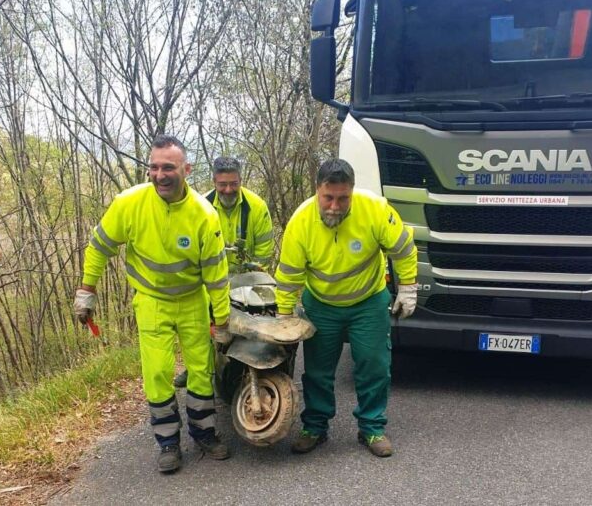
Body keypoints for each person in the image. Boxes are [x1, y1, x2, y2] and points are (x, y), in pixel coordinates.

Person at [73, 134, 233, 474]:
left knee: (201, 373)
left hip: (192, 301)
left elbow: (217, 276)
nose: (160, 174)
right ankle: (168, 443)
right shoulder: (129, 204)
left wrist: (221, 321)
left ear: (186, 170)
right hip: (151, 301)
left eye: (169, 167)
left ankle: (204, 432)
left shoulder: (204, 215)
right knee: (158, 372)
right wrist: (87, 291)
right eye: (154, 167)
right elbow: (98, 246)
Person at [274, 158, 418, 457]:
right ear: (318, 191)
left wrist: (408, 287)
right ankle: (314, 426)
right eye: (328, 197)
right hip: (322, 304)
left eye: (343, 198)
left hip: (368, 301)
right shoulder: (301, 222)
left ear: (352, 191)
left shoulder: (375, 210)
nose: (335, 206)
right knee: (317, 371)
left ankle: (372, 427)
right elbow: (289, 275)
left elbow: (403, 248)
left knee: (373, 365)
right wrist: (284, 313)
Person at [173, 156, 274, 389]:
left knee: (264, 311)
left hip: (248, 277)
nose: (228, 189)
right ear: (214, 181)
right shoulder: (200, 206)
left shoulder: (257, 207)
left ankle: (261, 360)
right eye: (222, 184)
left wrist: (252, 274)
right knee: (199, 319)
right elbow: (190, 252)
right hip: (210, 280)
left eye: (233, 184)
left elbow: (264, 253)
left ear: (241, 180)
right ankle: (199, 366)